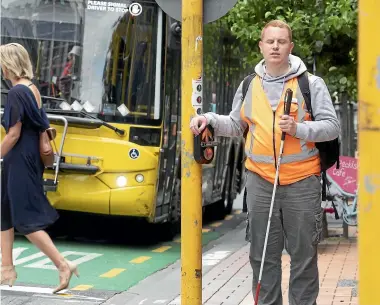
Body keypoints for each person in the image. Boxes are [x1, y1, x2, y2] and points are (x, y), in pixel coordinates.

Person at [190, 20, 340, 305]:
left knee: (304, 258)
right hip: (260, 181)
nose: (275, 46)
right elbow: (236, 125)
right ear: (261, 45)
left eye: (281, 41)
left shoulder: (310, 84)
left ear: (290, 47)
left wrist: (299, 129)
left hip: (302, 182)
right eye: (270, 41)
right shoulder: (249, 85)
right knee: (262, 258)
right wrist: (208, 119)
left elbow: (332, 126)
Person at [0, 43, 79, 293]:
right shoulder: (32, 89)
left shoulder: (16, 93)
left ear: (9, 64)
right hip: (28, 158)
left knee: (26, 219)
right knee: (4, 211)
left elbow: (13, 134)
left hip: (20, 158)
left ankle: (62, 264)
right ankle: (6, 268)